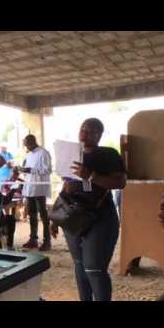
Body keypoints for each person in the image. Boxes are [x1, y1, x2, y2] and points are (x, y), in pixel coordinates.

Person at [51, 118, 127, 302]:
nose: (84, 133)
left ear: (99, 135)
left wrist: (91, 175)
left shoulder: (108, 154)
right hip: (73, 217)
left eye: (91, 131)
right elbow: (66, 186)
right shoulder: (72, 154)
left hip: (100, 217)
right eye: (82, 129)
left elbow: (120, 182)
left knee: (93, 268)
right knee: (79, 264)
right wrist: (55, 216)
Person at [20, 135, 53, 251]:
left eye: (27, 144)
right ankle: (33, 239)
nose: (26, 147)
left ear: (33, 141)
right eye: (25, 145)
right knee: (32, 214)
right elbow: (28, 171)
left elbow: (48, 170)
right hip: (30, 188)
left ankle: (47, 241)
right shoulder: (28, 154)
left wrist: (31, 170)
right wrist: (23, 170)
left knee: (43, 215)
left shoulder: (43, 152)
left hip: (39, 188)